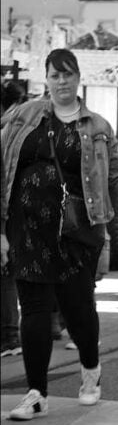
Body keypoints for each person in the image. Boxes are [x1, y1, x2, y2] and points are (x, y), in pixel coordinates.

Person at [0, 48, 118, 420]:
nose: (61, 82)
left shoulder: (96, 126)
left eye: (68, 74)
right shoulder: (21, 116)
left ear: (79, 78)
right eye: (55, 75)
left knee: (77, 308)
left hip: (77, 231)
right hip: (28, 229)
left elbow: (117, 176)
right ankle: (35, 393)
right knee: (33, 309)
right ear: (45, 79)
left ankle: (91, 370)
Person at [1, 79, 28, 357]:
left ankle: (10, 337)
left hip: (9, 211)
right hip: (21, 208)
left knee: (6, 272)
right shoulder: (27, 125)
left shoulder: (8, 127)